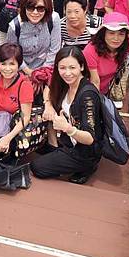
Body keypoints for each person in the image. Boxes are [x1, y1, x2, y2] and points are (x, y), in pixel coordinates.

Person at [31, 46, 103, 184]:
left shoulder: (88, 95)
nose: (67, 73)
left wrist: (67, 128)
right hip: (68, 142)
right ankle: (59, 152)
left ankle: (88, 166)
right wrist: (49, 105)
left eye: (72, 68)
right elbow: (48, 88)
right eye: (62, 68)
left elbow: (90, 139)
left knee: (37, 167)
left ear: (81, 67)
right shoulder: (65, 83)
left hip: (85, 151)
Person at [6, 0, 62, 76]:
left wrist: (42, 72)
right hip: (22, 69)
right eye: (30, 8)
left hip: (47, 67)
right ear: (24, 8)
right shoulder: (14, 26)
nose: (35, 12)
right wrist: (28, 72)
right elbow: (13, 54)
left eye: (40, 8)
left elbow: (54, 49)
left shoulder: (54, 19)